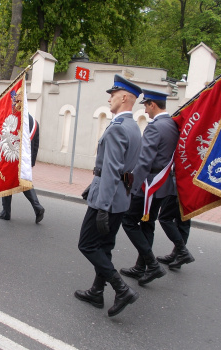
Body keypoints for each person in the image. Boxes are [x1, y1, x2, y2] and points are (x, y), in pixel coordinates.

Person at [74, 75, 142, 317]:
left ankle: (121, 288)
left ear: (124, 97)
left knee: (87, 244)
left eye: (113, 94)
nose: (109, 97)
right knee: (104, 246)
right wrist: (93, 186)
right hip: (120, 197)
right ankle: (96, 291)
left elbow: (111, 169)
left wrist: (101, 205)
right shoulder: (134, 127)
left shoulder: (117, 128)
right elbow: (124, 167)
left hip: (107, 200)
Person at [120, 89, 179, 285]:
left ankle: (151, 264)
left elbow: (144, 161)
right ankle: (141, 266)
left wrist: (132, 186)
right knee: (147, 224)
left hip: (149, 186)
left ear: (152, 104)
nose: (145, 111)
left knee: (129, 221)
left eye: (146, 106)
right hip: (163, 185)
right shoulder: (171, 124)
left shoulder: (155, 127)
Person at [0, 113, 45, 223]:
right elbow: (36, 144)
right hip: (25, 160)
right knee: (23, 182)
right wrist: (31, 162)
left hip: (14, 158)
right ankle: (37, 207)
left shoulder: (15, 119)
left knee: (8, 181)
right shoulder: (34, 122)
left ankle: (6, 212)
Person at [156, 192, 194, 268]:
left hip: (177, 190)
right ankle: (178, 256)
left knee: (165, 218)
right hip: (188, 190)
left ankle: (182, 253)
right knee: (183, 222)